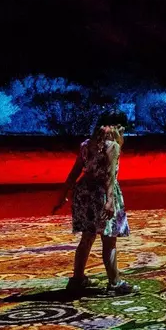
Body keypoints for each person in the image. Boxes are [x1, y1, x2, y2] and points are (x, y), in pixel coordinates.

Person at [52, 113, 132, 295]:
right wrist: (110, 201)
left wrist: (63, 194)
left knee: (87, 237)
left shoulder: (86, 145)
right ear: (116, 127)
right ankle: (115, 283)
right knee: (109, 240)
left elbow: (74, 172)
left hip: (85, 193)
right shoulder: (112, 146)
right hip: (101, 194)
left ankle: (77, 279)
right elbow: (110, 176)